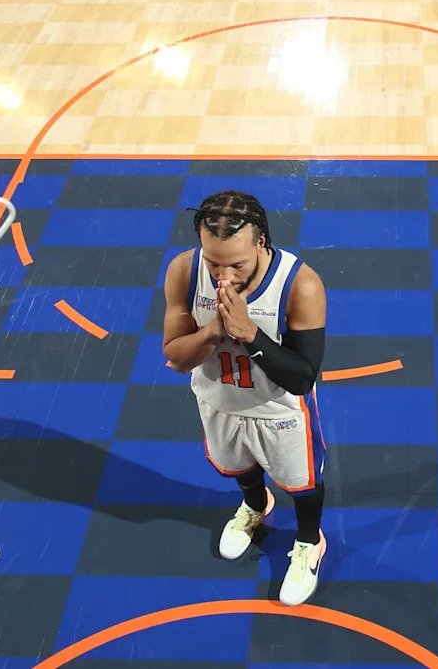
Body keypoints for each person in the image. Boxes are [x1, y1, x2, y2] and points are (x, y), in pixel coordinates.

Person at [161, 189, 328, 607]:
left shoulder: (301, 285)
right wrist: (213, 331)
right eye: (214, 263)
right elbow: (176, 358)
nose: (224, 276)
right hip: (217, 400)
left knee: (302, 484)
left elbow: (302, 378)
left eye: (236, 264)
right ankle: (255, 505)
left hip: (278, 410)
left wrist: (250, 334)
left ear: (261, 243)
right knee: (239, 467)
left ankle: (310, 542)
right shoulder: (183, 270)